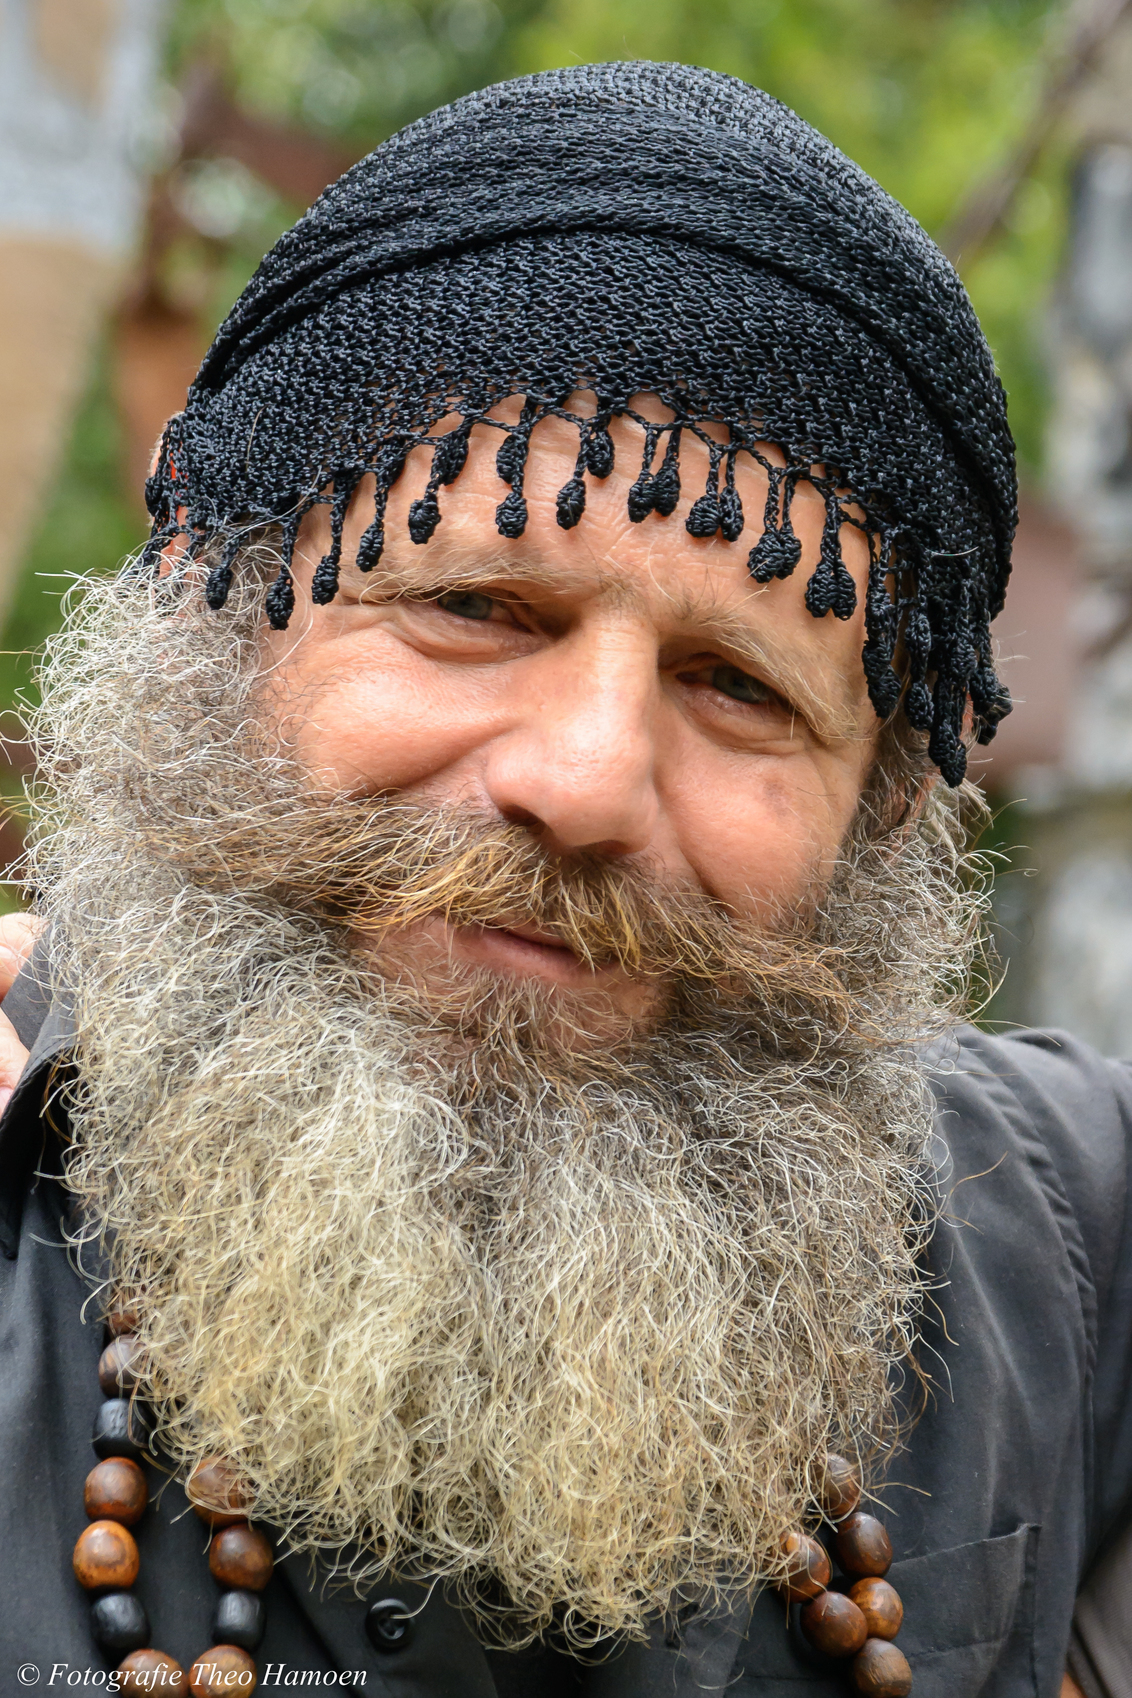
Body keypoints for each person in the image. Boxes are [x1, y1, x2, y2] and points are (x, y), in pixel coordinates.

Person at [0, 60, 1128, 1698]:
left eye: (740, 687)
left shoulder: (1046, 1254)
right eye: (481, 609)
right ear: (222, 609)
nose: (586, 780)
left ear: (878, 812)